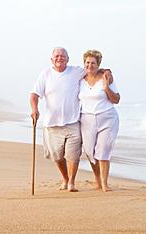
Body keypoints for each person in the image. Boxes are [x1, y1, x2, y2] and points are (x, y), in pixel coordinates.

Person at [30, 47, 84, 192]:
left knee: (73, 155)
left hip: (72, 122)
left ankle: (71, 182)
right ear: (51, 59)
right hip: (52, 124)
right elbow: (34, 94)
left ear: (68, 59)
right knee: (57, 157)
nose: (60, 58)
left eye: (63, 56)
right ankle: (65, 178)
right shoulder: (46, 74)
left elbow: (93, 70)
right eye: (57, 56)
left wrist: (106, 72)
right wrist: (34, 109)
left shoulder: (76, 72)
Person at [79, 50, 120, 192]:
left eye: (93, 63)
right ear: (84, 64)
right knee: (90, 151)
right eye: (87, 62)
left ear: (98, 65)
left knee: (103, 151)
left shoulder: (106, 77)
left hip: (107, 117)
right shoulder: (79, 79)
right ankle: (97, 179)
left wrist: (106, 87)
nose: (90, 65)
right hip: (87, 118)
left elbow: (116, 100)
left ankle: (104, 184)